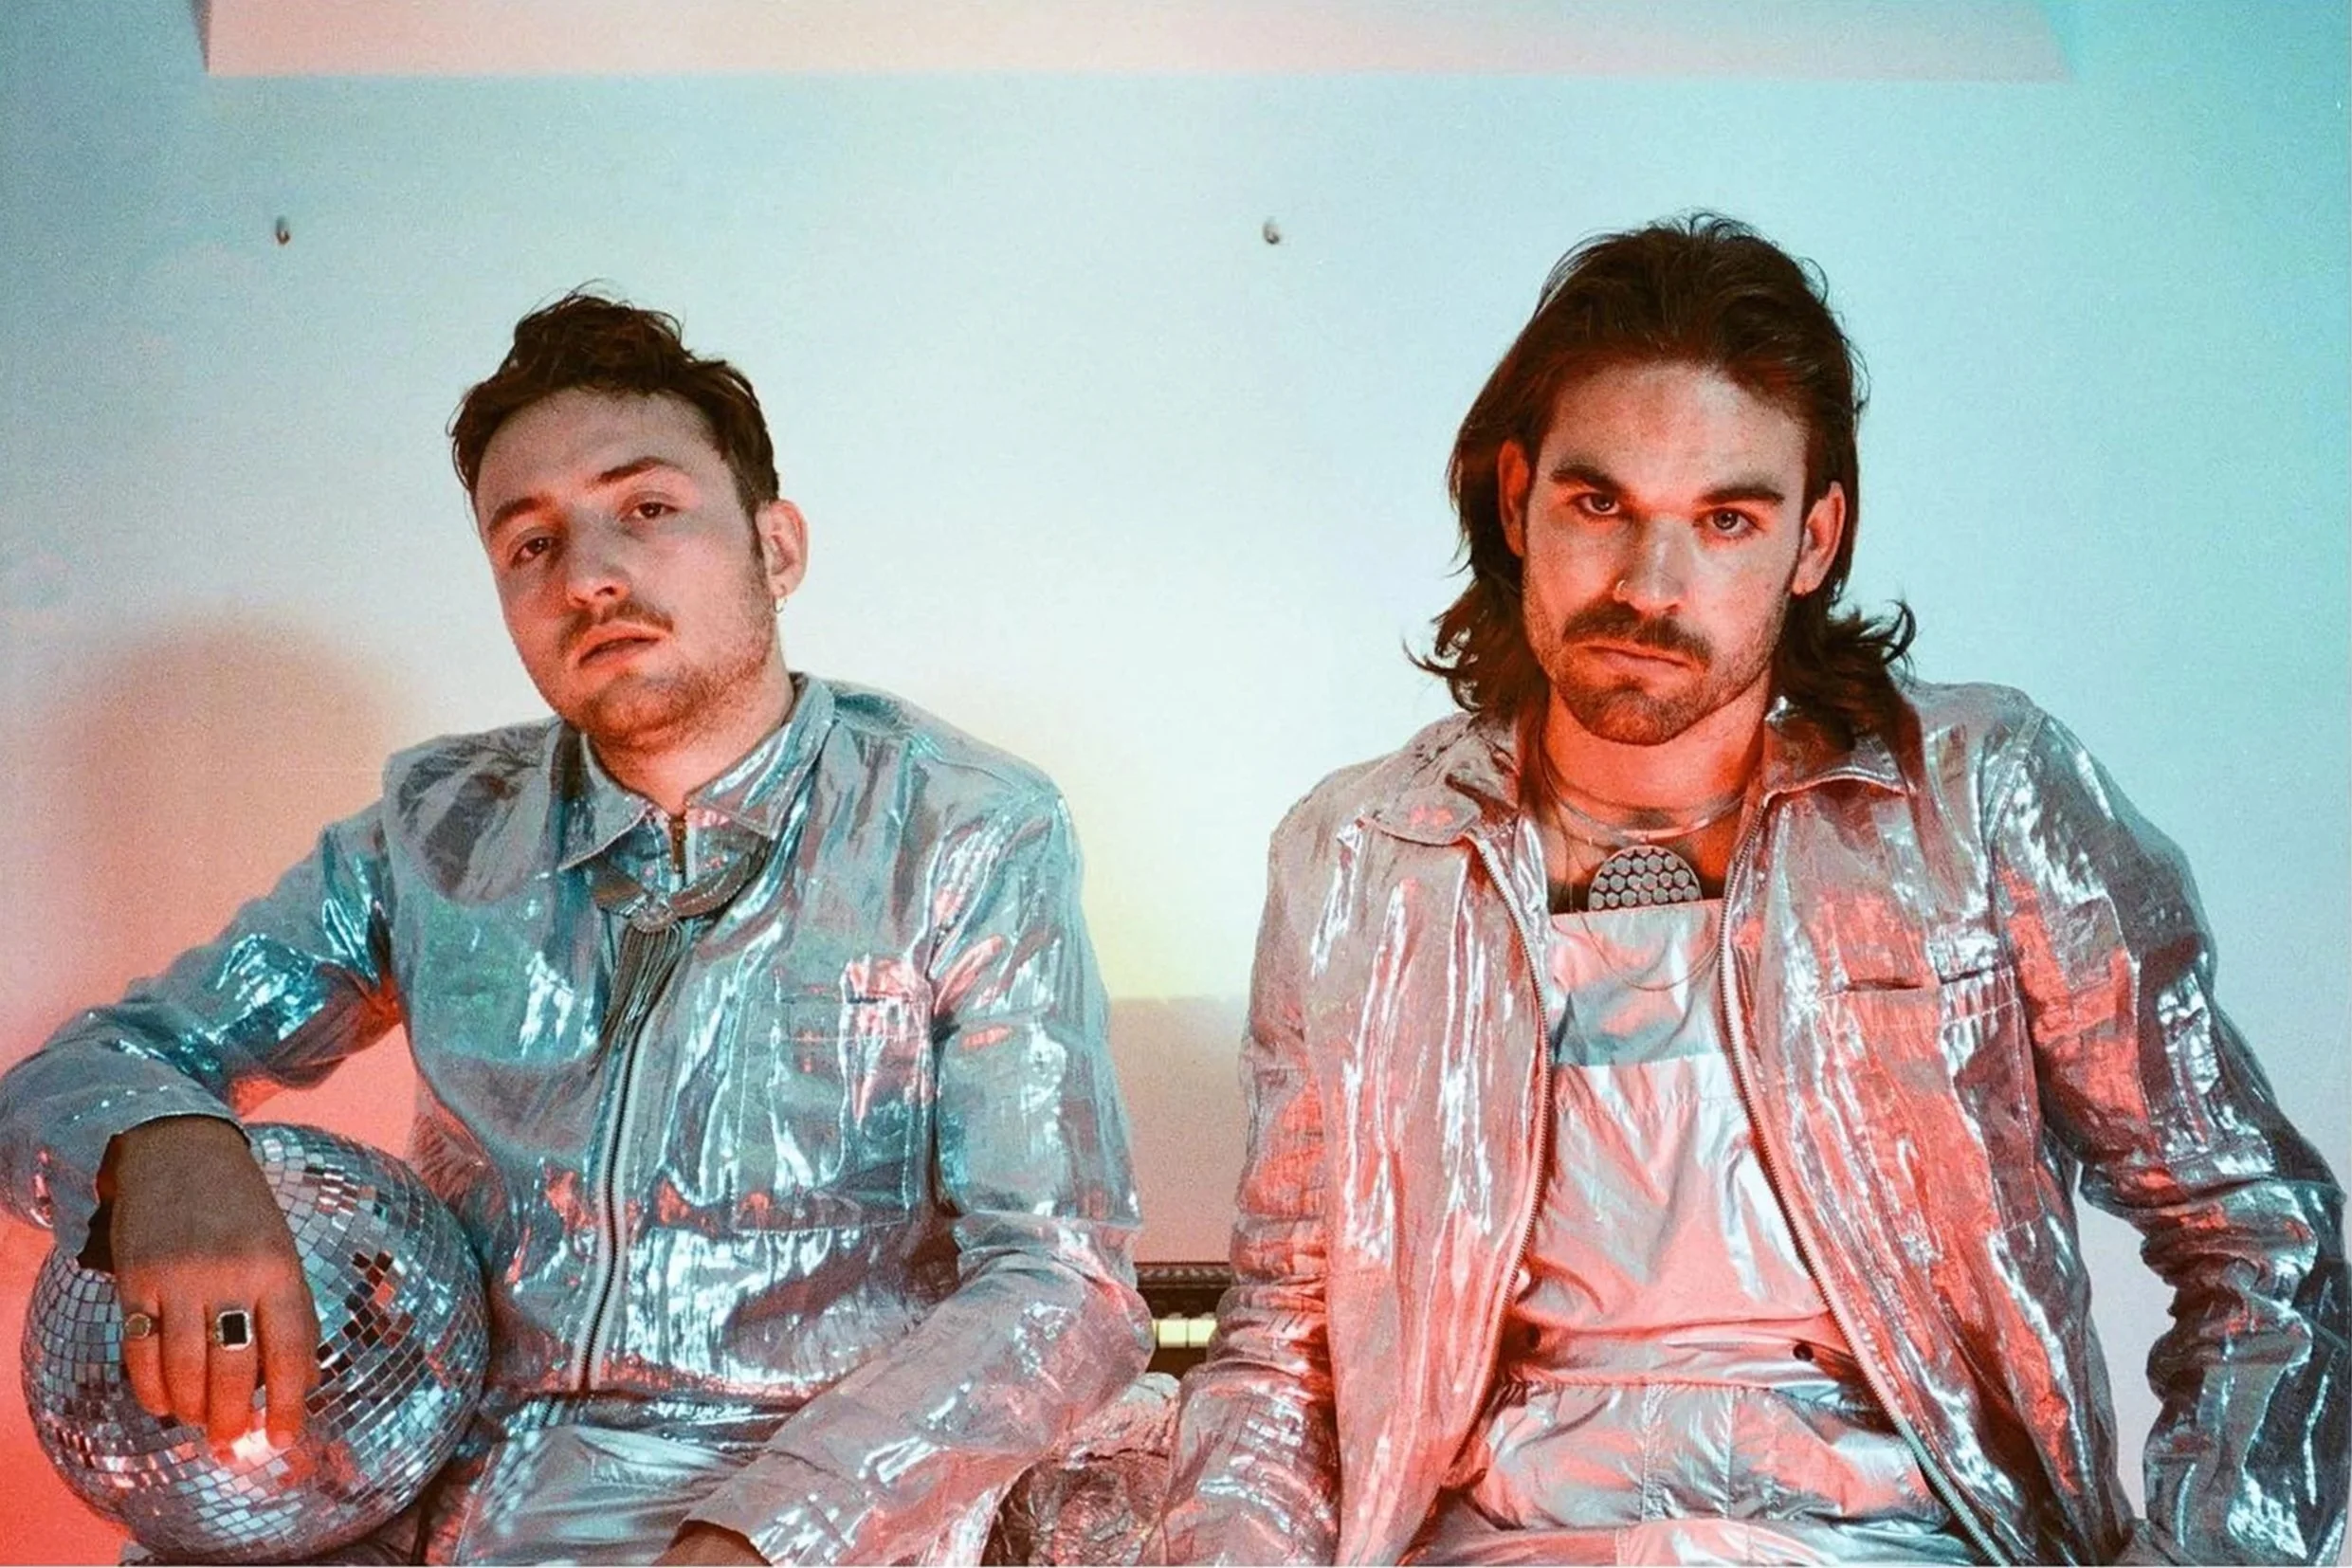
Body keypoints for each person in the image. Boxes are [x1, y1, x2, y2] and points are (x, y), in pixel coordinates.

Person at [1160, 214, 2347, 1565]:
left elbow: (2259, 1231)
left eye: (1726, 518)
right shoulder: (1363, 856)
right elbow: (1283, 1342)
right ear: (1515, 501)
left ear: (1815, 538)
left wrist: (2214, 1558)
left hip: (1915, 1538)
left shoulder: (1977, 800)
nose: (1649, 586)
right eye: (1598, 502)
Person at [0, 293, 1151, 1564]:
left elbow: (1061, 1287)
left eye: (647, 508)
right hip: (440, 1494)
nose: (591, 574)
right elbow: (71, 1075)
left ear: (777, 546)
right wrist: (165, 1143)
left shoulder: (963, 827)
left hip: (804, 1509)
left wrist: (780, 1532)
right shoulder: (437, 830)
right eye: (530, 543)